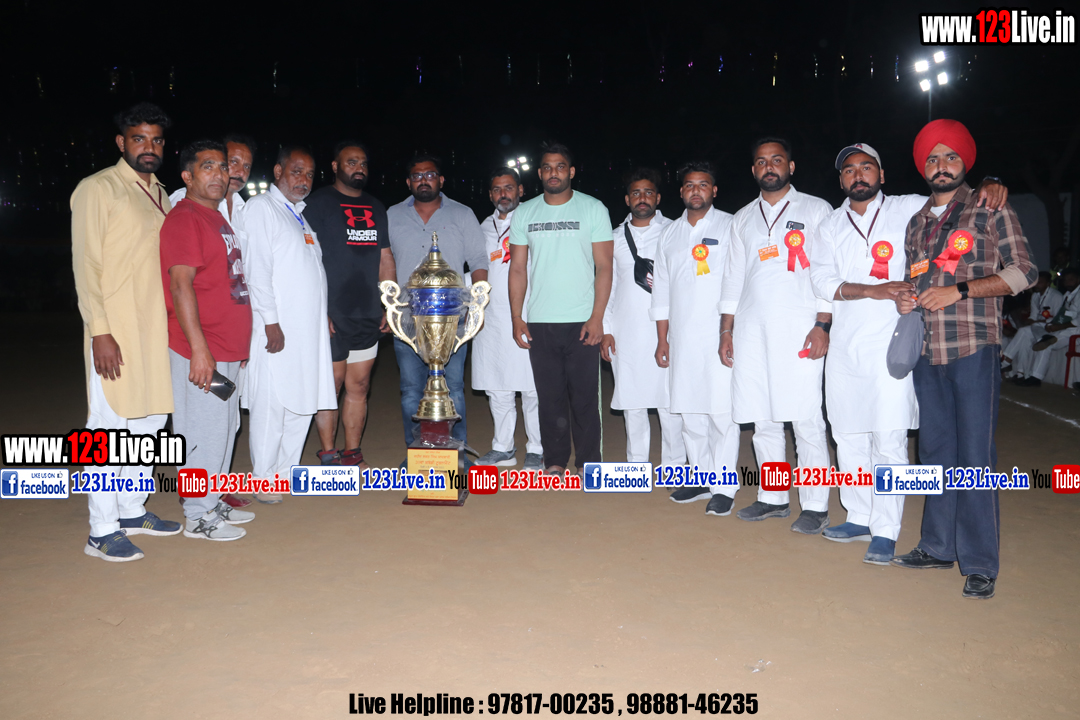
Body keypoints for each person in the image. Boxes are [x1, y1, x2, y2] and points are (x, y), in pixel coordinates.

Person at [813, 143, 1010, 564]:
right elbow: (822, 280)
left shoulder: (908, 208)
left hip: (897, 341)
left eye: (867, 167)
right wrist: (872, 290)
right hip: (846, 343)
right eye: (849, 170)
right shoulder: (829, 224)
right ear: (841, 179)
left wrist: (990, 183)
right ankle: (859, 515)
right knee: (847, 432)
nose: (858, 175)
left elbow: (953, 195)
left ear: (882, 174)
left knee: (889, 436)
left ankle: (886, 529)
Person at [891, 119, 1036, 600]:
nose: (941, 165)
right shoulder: (916, 222)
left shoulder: (991, 206)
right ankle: (936, 546)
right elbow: (917, 276)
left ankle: (979, 562)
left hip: (974, 346)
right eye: (932, 158)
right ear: (923, 168)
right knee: (934, 453)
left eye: (950, 156)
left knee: (975, 456)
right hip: (927, 352)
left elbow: (1025, 273)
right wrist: (908, 296)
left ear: (964, 162)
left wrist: (962, 290)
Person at [70, 102, 180, 561]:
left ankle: (132, 510)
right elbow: (86, 265)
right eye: (139, 138)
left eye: (156, 140)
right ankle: (101, 530)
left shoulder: (162, 195)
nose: (149, 147)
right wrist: (100, 331)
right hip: (115, 333)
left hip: (155, 334)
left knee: (148, 426)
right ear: (121, 142)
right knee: (108, 428)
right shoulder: (98, 189)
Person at [719, 138, 833, 533]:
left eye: (777, 160)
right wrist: (726, 330)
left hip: (800, 328)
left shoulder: (816, 209)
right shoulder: (742, 218)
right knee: (761, 416)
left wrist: (822, 324)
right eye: (762, 162)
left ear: (791, 166)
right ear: (753, 170)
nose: (769, 167)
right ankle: (773, 497)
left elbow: (826, 270)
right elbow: (733, 277)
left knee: (805, 417)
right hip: (751, 329)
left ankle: (816, 505)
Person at [160, 140, 254, 540]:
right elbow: (181, 286)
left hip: (225, 349)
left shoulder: (216, 218)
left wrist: (238, 346)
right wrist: (199, 351)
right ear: (187, 176)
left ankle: (212, 500)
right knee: (201, 431)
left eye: (222, 167)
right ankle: (197, 515)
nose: (219, 174)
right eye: (207, 167)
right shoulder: (185, 218)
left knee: (225, 428)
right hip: (202, 349)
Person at [508, 142, 614, 476]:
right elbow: (518, 269)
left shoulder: (593, 208)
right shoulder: (525, 212)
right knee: (549, 396)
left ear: (571, 171)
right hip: (540, 320)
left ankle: (588, 462)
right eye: (547, 167)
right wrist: (516, 317)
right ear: (540, 174)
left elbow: (605, 266)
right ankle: (554, 460)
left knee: (585, 398)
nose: (553, 172)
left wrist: (597, 317)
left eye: (560, 166)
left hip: (582, 319)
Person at [243, 146, 337, 502]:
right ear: (278, 172)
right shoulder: (262, 208)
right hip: (277, 329)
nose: (304, 180)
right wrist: (270, 321)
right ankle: (263, 478)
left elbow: (308, 272)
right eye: (297, 172)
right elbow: (257, 269)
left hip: (308, 331)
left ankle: (285, 474)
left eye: (310, 174)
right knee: (272, 404)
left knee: (303, 400)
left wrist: (321, 313)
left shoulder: (299, 216)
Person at [651, 162, 739, 516]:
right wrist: (663, 339)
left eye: (703, 184)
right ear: (681, 191)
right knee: (689, 411)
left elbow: (737, 281)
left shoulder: (731, 225)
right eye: (689, 185)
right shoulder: (669, 234)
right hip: (681, 336)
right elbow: (661, 292)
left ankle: (724, 486)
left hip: (719, 334)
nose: (696, 191)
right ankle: (700, 477)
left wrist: (729, 330)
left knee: (721, 413)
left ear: (714, 191)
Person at [387, 154, 488, 448]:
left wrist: (477, 305)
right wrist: (388, 305)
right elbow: (385, 261)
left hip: (452, 318)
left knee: (453, 389)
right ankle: (417, 453)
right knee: (410, 390)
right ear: (408, 182)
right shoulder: (392, 214)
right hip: (407, 318)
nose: (423, 180)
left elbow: (478, 260)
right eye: (417, 176)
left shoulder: (462, 214)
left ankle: (455, 455)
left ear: (441, 180)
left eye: (430, 175)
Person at [306, 141, 396, 467]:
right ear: (335, 166)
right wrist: (317, 309)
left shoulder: (376, 206)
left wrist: (389, 304)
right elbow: (305, 259)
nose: (359, 168)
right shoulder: (316, 204)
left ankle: (352, 453)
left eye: (363, 163)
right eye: (351, 162)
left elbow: (385, 258)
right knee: (331, 386)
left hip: (367, 312)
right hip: (331, 313)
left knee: (359, 385)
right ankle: (329, 453)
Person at [601, 168, 684, 467]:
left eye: (649, 192)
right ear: (627, 199)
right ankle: (636, 465)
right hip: (626, 331)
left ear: (658, 198)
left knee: (670, 401)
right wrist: (606, 329)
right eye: (636, 193)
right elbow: (607, 286)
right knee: (632, 402)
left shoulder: (675, 231)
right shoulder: (613, 238)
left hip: (669, 330)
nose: (642, 198)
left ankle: (674, 466)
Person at [472, 168, 543, 471]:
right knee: (497, 386)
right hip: (490, 318)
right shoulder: (481, 228)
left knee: (532, 387)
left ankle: (537, 449)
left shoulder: (533, 221)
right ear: (490, 194)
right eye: (498, 189)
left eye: (509, 188)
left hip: (527, 313)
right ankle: (503, 448)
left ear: (521, 190)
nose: (504, 194)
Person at [1015, 268, 1080, 386]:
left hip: (1075, 332)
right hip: (1064, 329)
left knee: (1046, 344)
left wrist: (1058, 327)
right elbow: (1062, 315)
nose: (1067, 283)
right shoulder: (1068, 295)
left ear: (1078, 280)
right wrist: (1053, 325)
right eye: (1065, 280)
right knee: (1034, 336)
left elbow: (1077, 320)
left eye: (1071, 280)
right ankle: (1025, 374)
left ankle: (1035, 378)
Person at [1003, 271, 1064, 380]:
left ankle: (1006, 361)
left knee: (1023, 332)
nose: (1036, 285)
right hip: (1037, 326)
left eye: (1040, 282)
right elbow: (1033, 316)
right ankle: (1021, 374)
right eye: (1036, 282)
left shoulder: (1056, 296)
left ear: (1048, 283)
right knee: (1023, 333)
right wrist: (1026, 321)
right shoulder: (1035, 295)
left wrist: (1035, 322)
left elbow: (1057, 319)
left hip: (1051, 327)